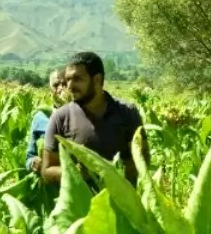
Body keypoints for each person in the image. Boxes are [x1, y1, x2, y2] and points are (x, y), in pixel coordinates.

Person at [40, 51, 148, 185]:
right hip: (81, 204)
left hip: (123, 203)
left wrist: (104, 169)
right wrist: (77, 173)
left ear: (97, 80)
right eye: (68, 79)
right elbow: (47, 170)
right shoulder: (60, 117)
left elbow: (143, 161)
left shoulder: (127, 112)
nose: (69, 86)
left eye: (77, 79)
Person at [25, 68, 68, 173]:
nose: (60, 89)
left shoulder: (82, 114)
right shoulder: (40, 117)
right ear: (50, 89)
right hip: (51, 182)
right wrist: (33, 163)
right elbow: (29, 157)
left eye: (64, 84)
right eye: (56, 85)